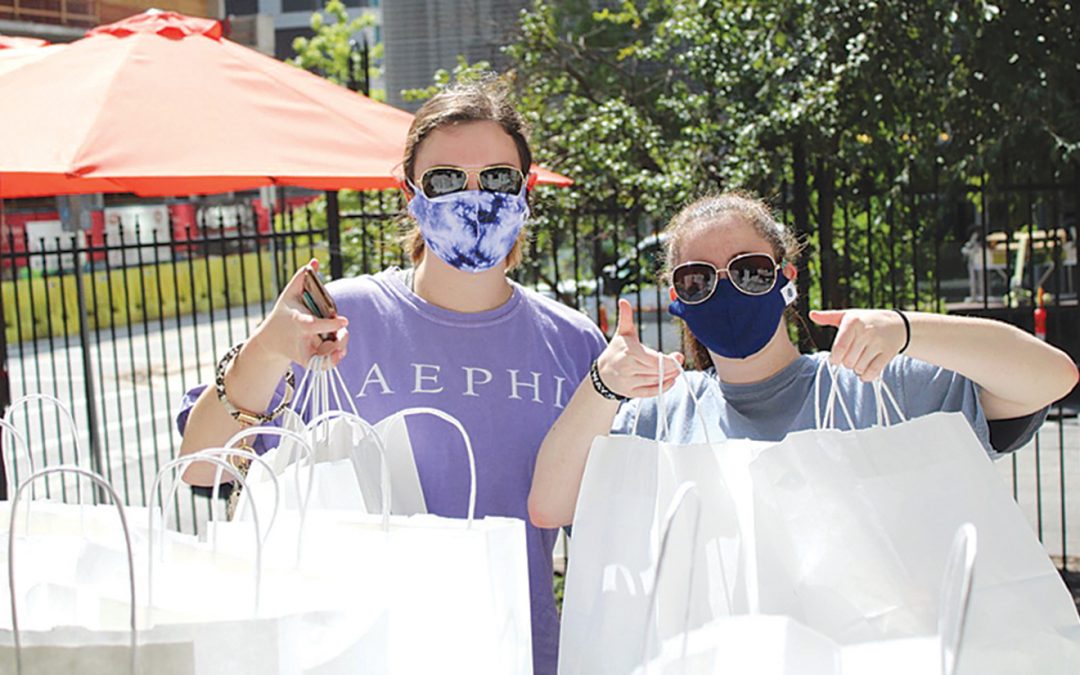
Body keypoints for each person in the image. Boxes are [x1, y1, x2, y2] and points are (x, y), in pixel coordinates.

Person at [176, 79, 607, 674]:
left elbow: (604, 529)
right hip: (360, 656)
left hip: (520, 655)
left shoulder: (573, 342)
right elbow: (202, 466)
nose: (474, 194)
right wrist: (270, 347)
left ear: (526, 191)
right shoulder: (335, 320)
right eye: (446, 178)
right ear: (410, 193)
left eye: (498, 177)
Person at [528, 191, 1079, 528]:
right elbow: (550, 506)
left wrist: (910, 331)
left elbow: (1051, 377)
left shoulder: (876, 384)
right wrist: (603, 383)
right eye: (696, 279)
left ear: (785, 280)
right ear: (677, 300)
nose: (725, 290)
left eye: (748, 270)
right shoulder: (660, 414)